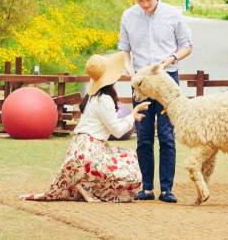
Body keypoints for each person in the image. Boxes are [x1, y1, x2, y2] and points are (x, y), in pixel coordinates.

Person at [22, 53, 150, 202]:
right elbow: (117, 131)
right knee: (132, 173)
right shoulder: (105, 99)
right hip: (92, 151)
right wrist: (133, 112)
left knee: (119, 161)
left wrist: (131, 117)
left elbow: (109, 123)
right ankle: (86, 186)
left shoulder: (91, 97)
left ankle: (83, 184)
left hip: (77, 148)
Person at [119, 0, 192, 203]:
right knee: (143, 135)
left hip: (167, 79)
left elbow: (187, 46)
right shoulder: (128, 16)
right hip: (140, 82)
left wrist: (171, 59)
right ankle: (147, 188)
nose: (144, 4)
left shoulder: (173, 14)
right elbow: (124, 48)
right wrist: (128, 66)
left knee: (167, 135)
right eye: (140, 0)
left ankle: (167, 189)